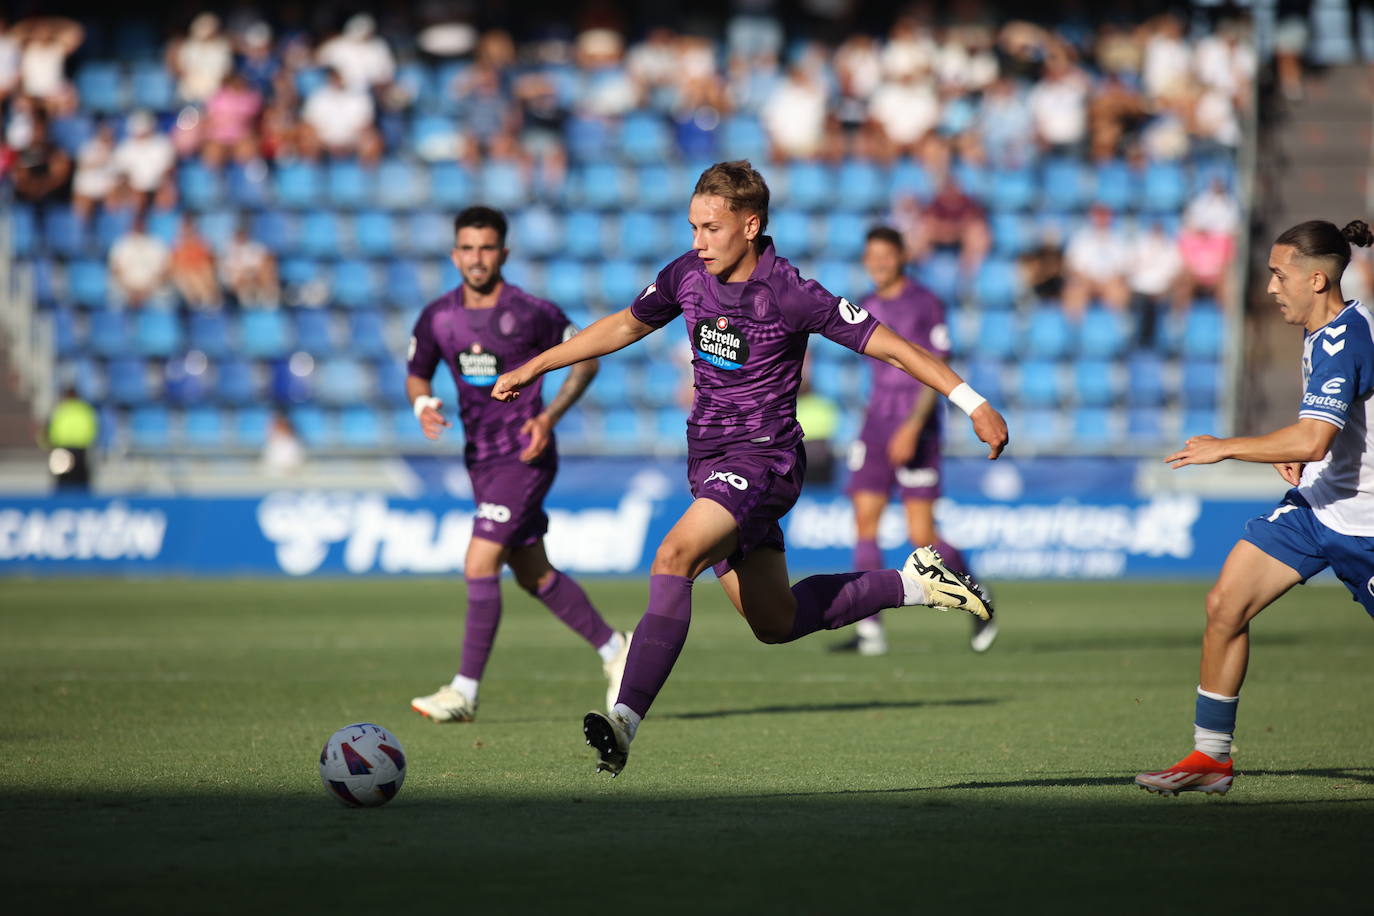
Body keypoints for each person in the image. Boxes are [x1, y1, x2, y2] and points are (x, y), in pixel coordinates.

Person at [492, 161, 1008, 777]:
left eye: (710, 228)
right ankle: (919, 584)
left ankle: (624, 718)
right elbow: (624, 325)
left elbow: (893, 345)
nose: (697, 241)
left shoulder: (790, 292)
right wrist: (538, 366)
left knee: (673, 554)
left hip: (765, 459)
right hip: (708, 461)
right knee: (775, 622)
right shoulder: (686, 275)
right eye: (693, 227)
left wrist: (971, 402)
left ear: (750, 224)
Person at [1135, 219, 1374, 797]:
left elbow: (1313, 437)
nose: (1270, 287)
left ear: (1316, 279)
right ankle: (1210, 758)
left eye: (1278, 273)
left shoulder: (1347, 338)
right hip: (1318, 508)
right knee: (1225, 605)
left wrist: (1229, 448)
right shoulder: (1324, 332)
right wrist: (1288, 454)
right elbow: (1318, 437)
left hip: (1367, 525)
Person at [407, 206, 628, 724]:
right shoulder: (437, 316)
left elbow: (588, 359)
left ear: (503, 253)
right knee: (533, 573)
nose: (477, 258)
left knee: (479, 563)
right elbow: (417, 374)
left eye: (487, 248)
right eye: (468, 248)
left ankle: (464, 691)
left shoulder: (531, 311)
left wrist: (548, 417)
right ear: (454, 253)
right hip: (480, 460)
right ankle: (615, 647)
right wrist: (423, 405)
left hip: (524, 456)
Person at [832, 226, 998, 658]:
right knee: (864, 522)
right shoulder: (865, 304)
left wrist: (911, 426)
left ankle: (978, 597)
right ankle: (870, 632)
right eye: (871, 256)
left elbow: (935, 365)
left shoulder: (925, 302)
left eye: (885, 255)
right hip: (875, 425)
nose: (877, 263)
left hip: (916, 426)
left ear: (902, 256)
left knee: (920, 535)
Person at [42, 386, 97, 492]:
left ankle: (62, 503)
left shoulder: (60, 410)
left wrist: (48, 445)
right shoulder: (85, 410)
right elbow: (92, 430)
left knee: (63, 480)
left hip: (63, 450)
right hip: (80, 450)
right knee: (80, 479)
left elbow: (50, 430)